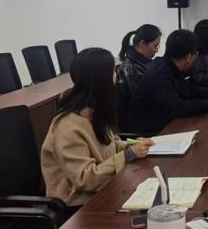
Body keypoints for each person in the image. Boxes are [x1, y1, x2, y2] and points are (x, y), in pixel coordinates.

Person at [41, 48, 154, 209]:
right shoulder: (67, 125)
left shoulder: (94, 110)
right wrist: (128, 155)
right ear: (102, 80)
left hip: (104, 189)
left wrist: (132, 146)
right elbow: (86, 179)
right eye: (112, 72)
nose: (116, 76)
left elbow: (110, 144)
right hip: (78, 205)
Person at [129, 30, 208, 136]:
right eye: (195, 54)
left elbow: (186, 88)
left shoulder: (168, 65)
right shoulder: (159, 74)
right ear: (188, 57)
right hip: (152, 132)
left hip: (166, 123)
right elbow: (177, 108)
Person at [116, 24, 162, 103]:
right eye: (155, 46)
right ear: (142, 44)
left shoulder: (143, 63)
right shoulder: (130, 68)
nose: (156, 50)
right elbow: (142, 100)